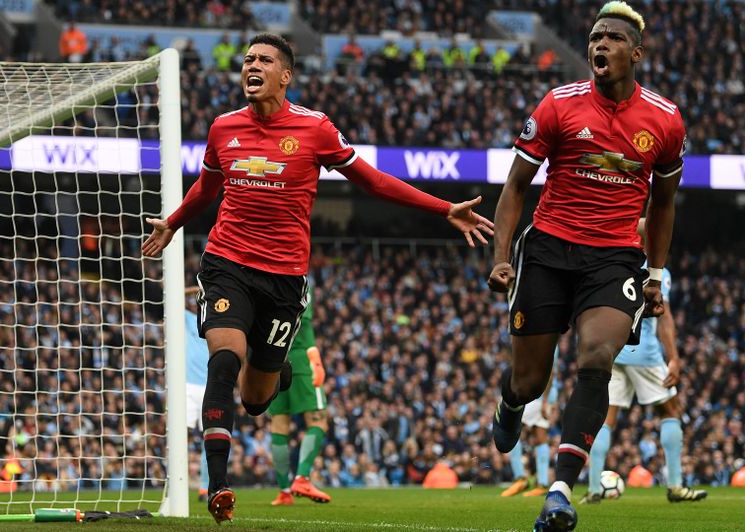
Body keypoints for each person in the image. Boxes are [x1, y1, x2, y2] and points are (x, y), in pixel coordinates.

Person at [142, 33, 493, 524]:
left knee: (257, 398)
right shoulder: (224, 128)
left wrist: (443, 208)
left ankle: (276, 370)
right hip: (227, 264)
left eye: (264, 59)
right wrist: (174, 222)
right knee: (223, 362)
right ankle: (218, 486)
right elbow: (208, 186)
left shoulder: (315, 129)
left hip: (284, 278)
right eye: (247, 59)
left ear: (285, 75)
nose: (252, 65)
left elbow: (371, 180)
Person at [486, 3, 685, 531]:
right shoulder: (558, 105)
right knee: (530, 382)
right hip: (549, 250)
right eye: (595, 37)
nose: (599, 45)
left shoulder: (664, 120)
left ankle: (559, 491)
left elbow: (662, 206)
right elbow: (514, 186)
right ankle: (510, 404)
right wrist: (502, 257)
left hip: (615, 255)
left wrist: (655, 275)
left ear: (635, 53)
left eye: (612, 38)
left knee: (596, 356)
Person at [582, 221, 706, 504]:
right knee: (670, 410)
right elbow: (665, 320)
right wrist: (673, 358)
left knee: (605, 419)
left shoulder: (614, 266)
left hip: (613, 351)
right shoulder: (656, 273)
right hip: (645, 353)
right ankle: (675, 486)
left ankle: (593, 488)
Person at [268, 286, 330, 506]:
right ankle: (302, 479)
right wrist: (315, 358)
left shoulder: (262, 278)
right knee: (319, 418)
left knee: (279, 424)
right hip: (300, 359)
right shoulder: (297, 278)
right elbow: (304, 325)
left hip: (271, 358)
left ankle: (284, 491)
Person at [502, 348, 560, 498]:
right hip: (542, 392)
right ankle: (542, 483)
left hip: (538, 393)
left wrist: (545, 401)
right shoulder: (547, 335)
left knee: (510, 425)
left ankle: (520, 477)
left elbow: (550, 369)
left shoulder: (544, 335)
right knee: (540, 436)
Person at [183, 287, 211, 502]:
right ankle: (177, 483)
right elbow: (170, 296)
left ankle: (204, 487)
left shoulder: (218, 323)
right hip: (187, 386)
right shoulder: (187, 319)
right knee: (178, 435)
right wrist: (198, 286)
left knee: (208, 439)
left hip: (210, 386)